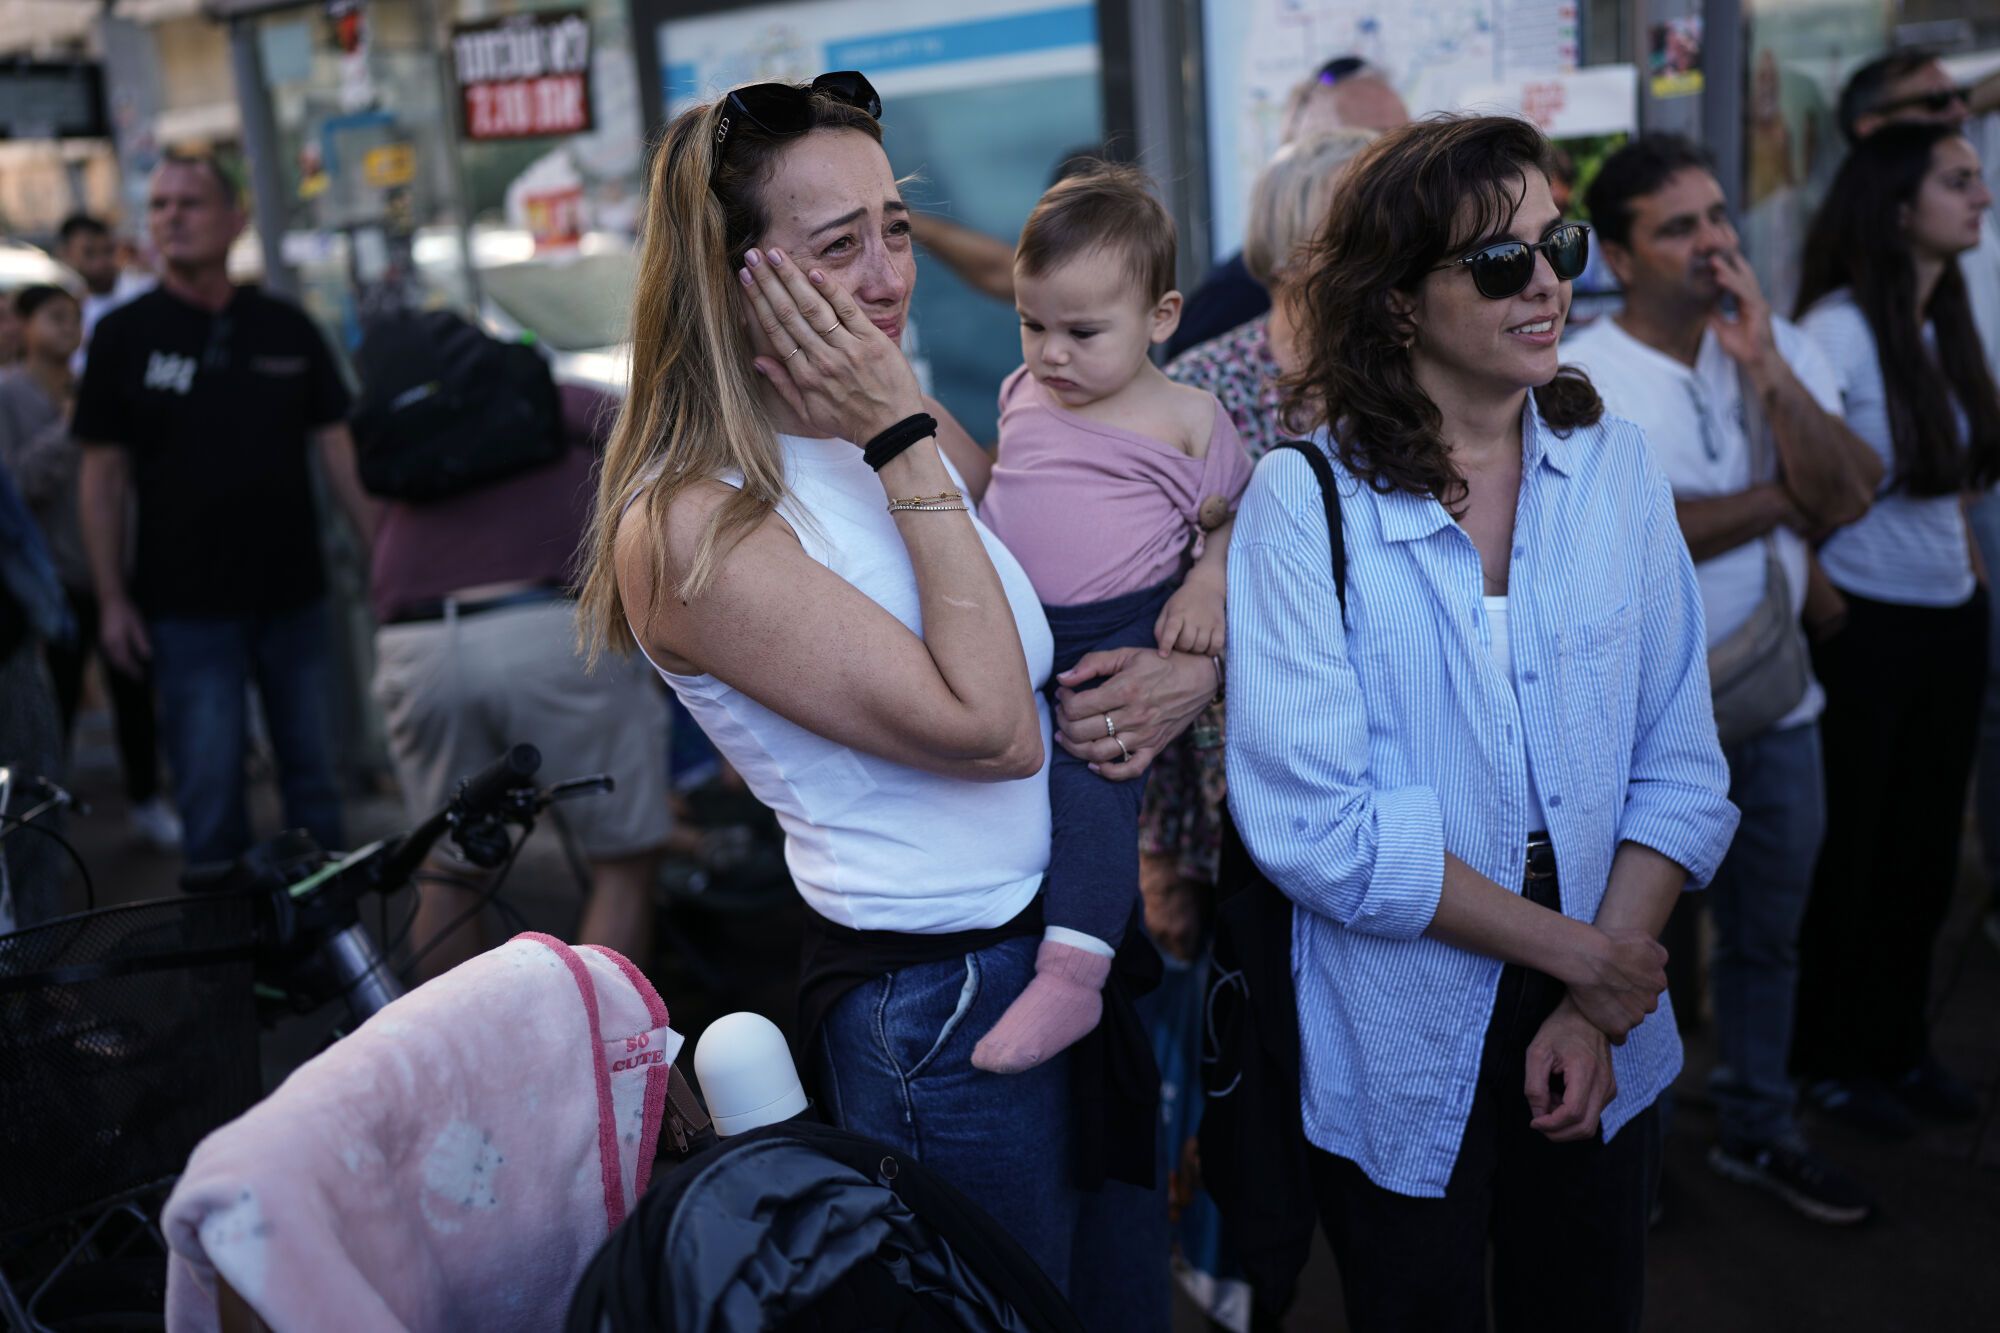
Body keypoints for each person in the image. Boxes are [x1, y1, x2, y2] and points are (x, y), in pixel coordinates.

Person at [574, 74, 1216, 1319]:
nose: (885, 275)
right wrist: (902, 437)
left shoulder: (871, 407)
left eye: (896, 228)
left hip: (1062, 941)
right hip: (942, 1007)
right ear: (730, 276)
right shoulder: (693, 518)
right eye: (836, 244)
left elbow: (1061, 572)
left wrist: (1189, 664)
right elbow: (987, 725)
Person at [1227, 115, 1738, 1330]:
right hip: (1405, 1012)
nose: (1549, 279)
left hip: (1613, 967)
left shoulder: (1611, 464)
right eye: (1499, 261)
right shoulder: (1301, 504)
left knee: (1586, 1300)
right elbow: (1315, 827)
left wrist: (1596, 994)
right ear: (1397, 302)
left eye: (1554, 242)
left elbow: (1678, 760)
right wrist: (1581, 962)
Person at [1564, 135, 1880, 1224]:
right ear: (1614, 252)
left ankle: (1756, 1127)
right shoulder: (1579, 380)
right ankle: (1629, 1163)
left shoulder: (1774, 342)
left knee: (1767, 938)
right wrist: (1775, 499)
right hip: (1641, 731)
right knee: (1633, 960)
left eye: (1716, 217)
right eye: (1676, 226)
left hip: (1774, 704)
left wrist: (1765, 371)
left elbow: (1846, 491)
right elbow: (1632, 538)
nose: (1711, 243)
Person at [972, 165, 1251, 1073]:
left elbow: (1237, 523)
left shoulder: (1190, 417)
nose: (1051, 353)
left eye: (1082, 331)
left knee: (1095, 786)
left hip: (1114, 629)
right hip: (1011, 618)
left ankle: (1074, 973)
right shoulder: (1024, 390)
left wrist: (1206, 584)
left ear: (1161, 317)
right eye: (1032, 323)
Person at [72, 153, 374, 867]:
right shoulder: (123, 336)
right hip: (184, 610)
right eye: (159, 206)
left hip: (294, 597)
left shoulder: (284, 327)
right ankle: (226, 972)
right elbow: (102, 476)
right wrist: (112, 600)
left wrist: (380, 559)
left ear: (235, 220)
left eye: (190, 203)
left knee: (316, 786)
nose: (170, 217)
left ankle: (326, 958)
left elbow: (338, 451)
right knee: (210, 799)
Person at [1788, 122, 1999, 1137]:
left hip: (1945, 618)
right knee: (1853, 855)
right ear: (1894, 206)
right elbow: (1801, 483)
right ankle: (1827, 1061)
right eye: (1956, 183)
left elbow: (1949, 483)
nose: (1980, 198)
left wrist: (1963, 577)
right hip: (1861, 626)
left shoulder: (1942, 320)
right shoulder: (1835, 328)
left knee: (1918, 854)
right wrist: (1824, 599)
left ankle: (1894, 1047)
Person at [1139, 129, 1374, 958]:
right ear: (1300, 250)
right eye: (1369, 223)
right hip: (1238, 780)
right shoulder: (1199, 389)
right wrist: (1160, 851)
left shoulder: (1404, 379)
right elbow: (1150, 610)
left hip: (1387, 771)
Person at [368, 367, 673, 980]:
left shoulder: (418, 430)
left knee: (448, 869)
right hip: (545, 625)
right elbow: (659, 437)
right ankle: (595, 1064)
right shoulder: (557, 399)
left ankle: (462, 1067)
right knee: (623, 861)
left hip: (416, 640)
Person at [0, 284, 178, 851]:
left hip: (114, 571)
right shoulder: (10, 396)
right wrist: (71, 428)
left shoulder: (91, 387)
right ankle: (49, 821)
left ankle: (146, 802)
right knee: (52, 709)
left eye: (75, 319)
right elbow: (17, 486)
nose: (68, 329)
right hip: (53, 583)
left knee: (134, 693)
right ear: (23, 326)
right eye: (54, 318)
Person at [1165, 55, 1408, 360]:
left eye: (1406, 138)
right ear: (1301, 158)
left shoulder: (1413, 285)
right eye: (1363, 142)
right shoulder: (1227, 310)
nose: (1399, 162)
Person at [58, 213, 150, 374]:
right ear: (66, 255)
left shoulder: (143, 293)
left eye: (108, 251)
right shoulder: (66, 310)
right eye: (89, 253)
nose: (102, 261)